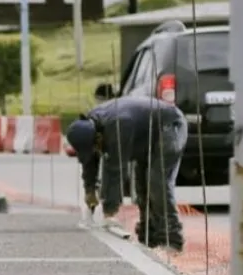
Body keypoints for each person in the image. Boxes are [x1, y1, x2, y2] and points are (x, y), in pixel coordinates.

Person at [65, 95, 187, 252]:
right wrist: (90, 190)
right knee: (141, 185)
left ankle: (173, 239)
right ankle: (150, 237)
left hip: (170, 126)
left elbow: (115, 169)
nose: (97, 151)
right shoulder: (91, 127)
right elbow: (90, 161)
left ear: (98, 137)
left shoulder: (117, 125)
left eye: (96, 146)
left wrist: (109, 211)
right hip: (146, 134)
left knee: (157, 182)